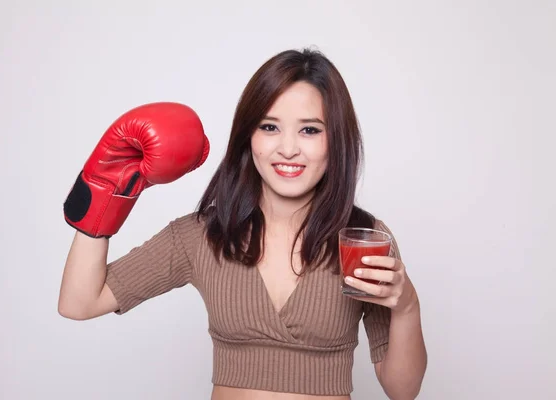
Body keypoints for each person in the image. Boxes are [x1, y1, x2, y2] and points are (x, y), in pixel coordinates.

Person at [58, 48, 427, 400]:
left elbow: (402, 390)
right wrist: (103, 193)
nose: (287, 149)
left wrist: (407, 305)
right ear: (248, 137)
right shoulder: (203, 235)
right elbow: (79, 302)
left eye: (310, 130)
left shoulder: (362, 240)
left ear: (337, 140)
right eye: (269, 127)